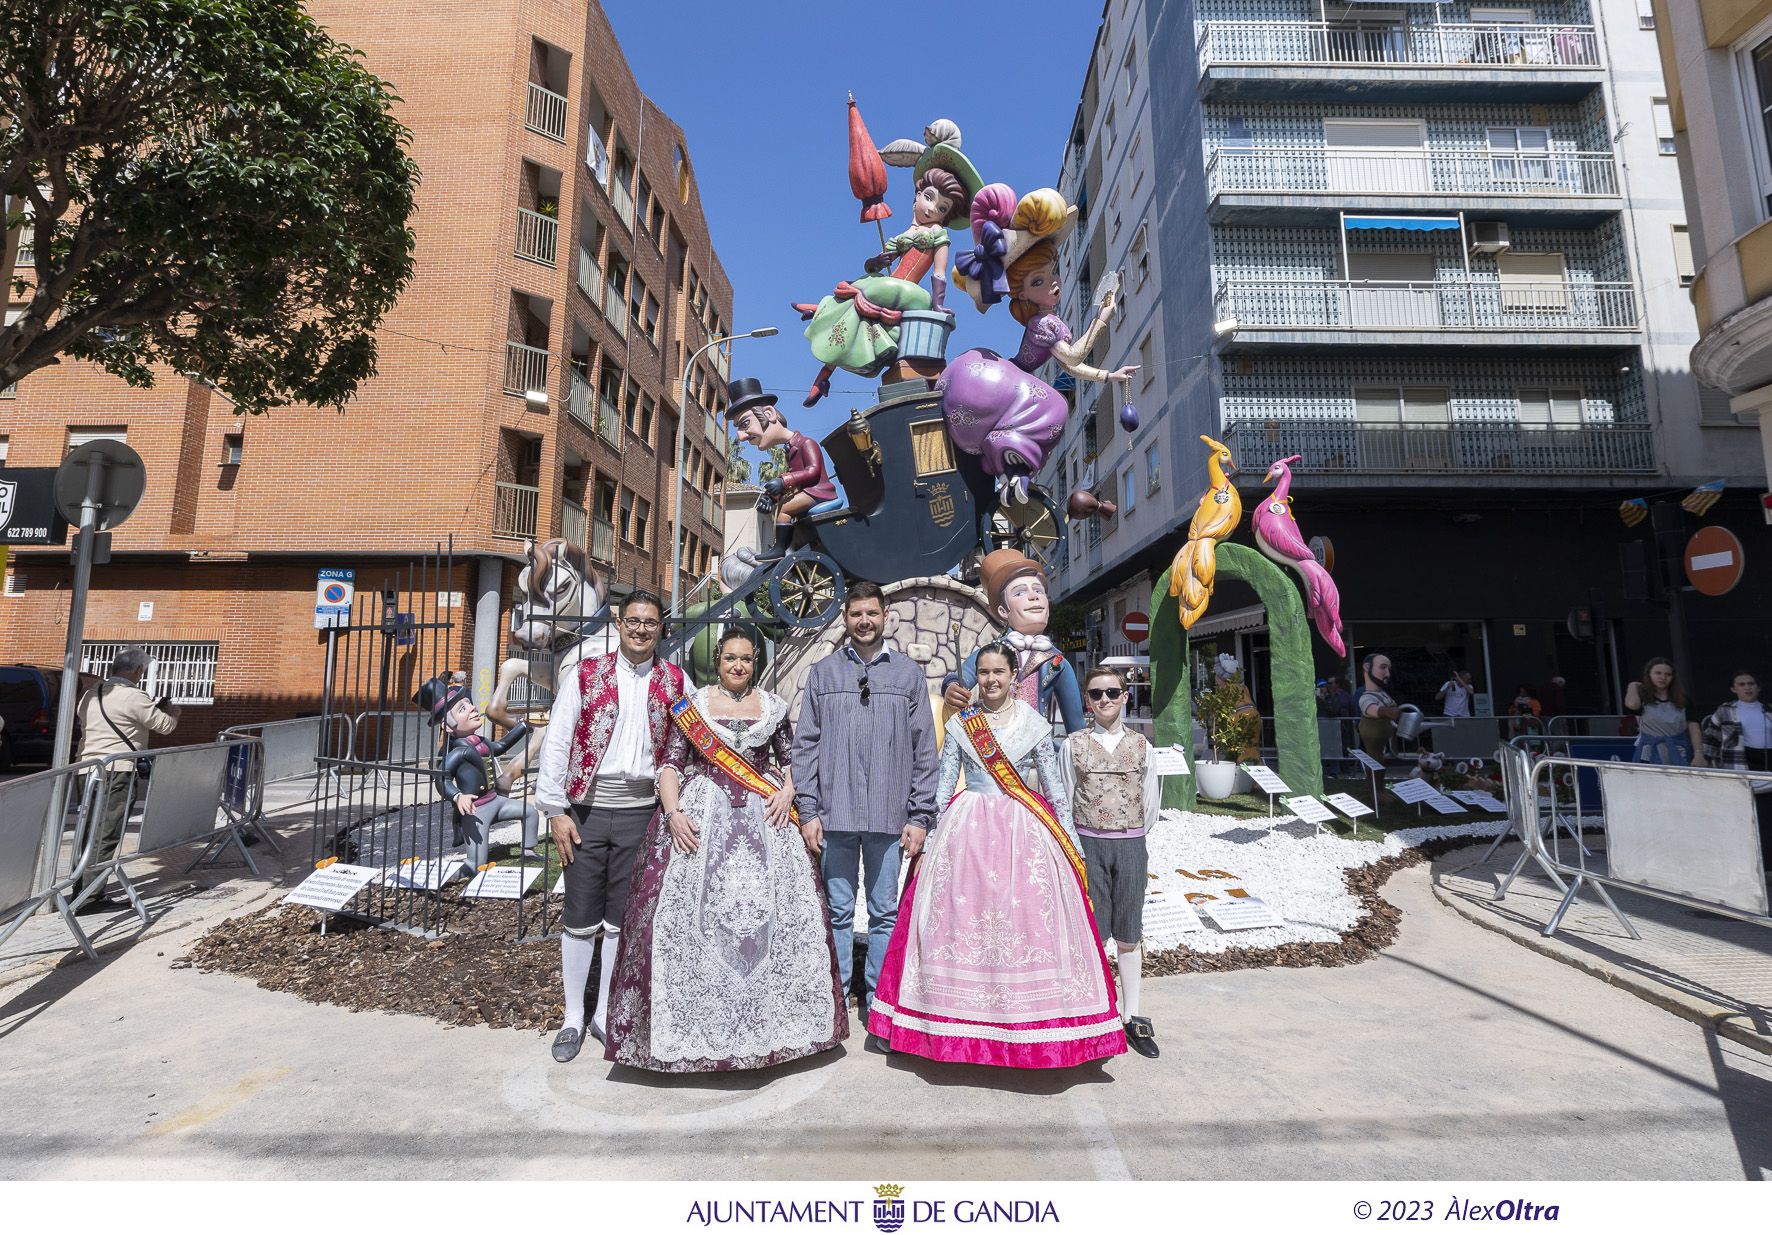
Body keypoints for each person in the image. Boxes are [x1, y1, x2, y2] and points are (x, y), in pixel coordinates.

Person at [869, 642, 1125, 1068]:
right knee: (957, 921)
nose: (990, 680)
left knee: (1023, 923)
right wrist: (928, 831)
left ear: (1013, 677)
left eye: (998, 673)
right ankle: (936, 1023)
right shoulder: (962, 726)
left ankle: (1034, 1031)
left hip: (1022, 832)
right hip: (966, 830)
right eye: (983, 672)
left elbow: (1054, 788)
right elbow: (943, 780)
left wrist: (1070, 839)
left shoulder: (1034, 725)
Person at [604, 628, 848, 1072]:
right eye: (731, 658)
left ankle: (772, 1029)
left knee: (776, 921)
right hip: (702, 817)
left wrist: (789, 791)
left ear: (756, 663)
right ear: (717, 661)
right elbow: (671, 764)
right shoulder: (692, 707)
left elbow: (790, 757)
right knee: (689, 921)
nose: (739, 666)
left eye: (747, 659)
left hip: (765, 817)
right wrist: (674, 813)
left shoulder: (772, 706)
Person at [537, 589, 687, 1064]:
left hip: (642, 812)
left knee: (621, 919)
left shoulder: (676, 680)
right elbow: (558, 741)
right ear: (619, 625)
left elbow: (686, 747)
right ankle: (571, 1018)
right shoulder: (586, 674)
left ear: (661, 628)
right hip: (586, 810)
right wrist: (554, 809)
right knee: (580, 916)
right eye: (633, 621)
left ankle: (602, 1014)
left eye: (650, 622)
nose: (641, 629)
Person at [791, 581, 938, 1049]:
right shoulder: (823, 674)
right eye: (856, 614)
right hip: (833, 817)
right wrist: (808, 810)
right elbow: (805, 747)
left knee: (883, 913)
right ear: (845, 618)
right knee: (834, 912)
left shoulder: (908, 675)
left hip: (888, 817)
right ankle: (833, 1002)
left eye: (872, 613)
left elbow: (924, 751)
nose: (865, 621)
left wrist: (920, 815)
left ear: (885, 616)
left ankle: (877, 1002)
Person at [942, 186, 1138, 502]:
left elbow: (1072, 366)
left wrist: (1109, 376)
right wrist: (1102, 319)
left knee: (1049, 401)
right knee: (1056, 406)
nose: (1054, 283)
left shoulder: (1041, 319)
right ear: (1021, 294)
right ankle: (1010, 458)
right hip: (1008, 379)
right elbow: (1072, 358)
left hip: (996, 375)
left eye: (1052, 274)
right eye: (1039, 281)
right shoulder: (1047, 322)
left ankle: (1006, 465)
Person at [793, 143, 982, 406]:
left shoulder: (939, 234)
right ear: (917, 194)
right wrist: (877, 260)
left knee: (857, 289)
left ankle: (820, 308)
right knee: (854, 323)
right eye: (929, 197)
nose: (931, 209)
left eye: (942, 208)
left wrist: (938, 305)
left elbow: (939, 273)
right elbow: (872, 267)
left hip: (909, 293)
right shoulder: (902, 236)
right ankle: (823, 376)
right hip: (889, 287)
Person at [1059, 665, 1161, 1059]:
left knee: (1129, 929)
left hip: (1131, 845)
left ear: (1125, 696)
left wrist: (1131, 834)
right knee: (1093, 928)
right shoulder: (1073, 745)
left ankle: (1130, 1014)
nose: (1105, 700)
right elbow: (1066, 795)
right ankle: (1095, 1014)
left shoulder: (1141, 746)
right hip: (1090, 846)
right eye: (1096, 693)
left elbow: (1150, 802)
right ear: (1087, 700)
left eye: (1112, 692)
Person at [74, 645, 180, 910]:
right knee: (107, 831)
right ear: (137, 670)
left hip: (86, 768)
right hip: (117, 770)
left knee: (86, 831)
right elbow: (164, 726)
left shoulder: (91, 693)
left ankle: (79, 887)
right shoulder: (135, 696)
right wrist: (174, 713)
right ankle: (91, 896)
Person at [942, 548, 1084, 733]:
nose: (1033, 596)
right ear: (1003, 610)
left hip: (1035, 749)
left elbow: (1076, 726)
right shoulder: (991, 653)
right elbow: (963, 675)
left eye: (1038, 590)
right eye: (1019, 593)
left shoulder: (1057, 662)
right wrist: (952, 687)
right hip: (993, 747)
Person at [413, 675, 539, 870]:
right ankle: (462, 871)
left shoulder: (480, 742)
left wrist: (523, 726)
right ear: (448, 726)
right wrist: (457, 797)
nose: (473, 708)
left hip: (496, 801)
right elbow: (441, 779)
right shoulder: (457, 753)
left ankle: (529, 851)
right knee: (476, 863)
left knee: (529, 812)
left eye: (469, 704)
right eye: (463, 709)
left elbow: (500, 746)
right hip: (476, 810)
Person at [727, 379, 837, 564]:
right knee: (781, 505)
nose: (741, 436)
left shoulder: (807, 443)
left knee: (785, 508)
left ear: (769, 414)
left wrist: (784, 481)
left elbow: (812, 471)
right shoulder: (790, 450)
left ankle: (779, 549)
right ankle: (784, 546)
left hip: (820, 492)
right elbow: (794, 480)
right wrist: (771, 497)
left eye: (745, 424)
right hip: (809, 492)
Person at [1700, 670, 1772, 869]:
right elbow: (1711, 738)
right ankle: (1747, 863)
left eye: (1751, 683)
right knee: (1747, 815)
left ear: (1758, 687)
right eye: (1742, 684)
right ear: (1734, 689)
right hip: (1740, 762)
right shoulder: (1725, 710)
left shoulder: (1767, 709)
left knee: (1767, 816)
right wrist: (1710, 764)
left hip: (1767, 762)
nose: (1747, 687)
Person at [1625, 657, 1704, 766]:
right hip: (1650, 753)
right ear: (1649, 674)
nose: (1663, 677)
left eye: (1668, 674)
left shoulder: (1683, 700)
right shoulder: (1643, 697)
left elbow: (1694, 728)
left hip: (1679, 751)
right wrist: (1632, 686)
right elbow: (1632, 705)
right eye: (1658, 673)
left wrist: (1698, 754)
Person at [1356, 653, 1401, 761]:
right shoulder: (1365, 697)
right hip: (1374, 741)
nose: (1388, 674)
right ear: (1367, 667)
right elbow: (1372, 710)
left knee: (1380, 761)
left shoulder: (1383, 694)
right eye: (1383, 667)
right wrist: (1387, 712)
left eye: (1388, 669)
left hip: (1386, 740)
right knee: (1374, 762)